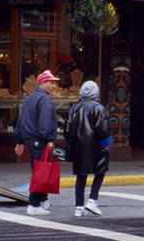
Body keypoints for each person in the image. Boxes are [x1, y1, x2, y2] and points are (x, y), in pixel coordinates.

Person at [14, 69, 61, 216]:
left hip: (30, 139)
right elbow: (45, 123)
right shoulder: (45, 100)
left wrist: (20, 141)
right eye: (51, 83)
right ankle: (34, 203)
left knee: (39, 169)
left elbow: (21, 121)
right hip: (39, 140)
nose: (53, 86)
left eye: (54, 83)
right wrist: (49, 139)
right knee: (41, 172)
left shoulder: (30, 98)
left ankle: (41, 200)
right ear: (43, 83)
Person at [65, 80, 111, 217]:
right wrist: (106, 144)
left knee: (81, 176)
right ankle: (92, 200)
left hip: (78, 147)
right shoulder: (98, 108)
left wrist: (69, 144)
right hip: (95, 146)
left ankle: (79, 207)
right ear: (95, 93)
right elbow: (103, 129)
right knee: (100, 171)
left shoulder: (74, 108)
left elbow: (67, 129)